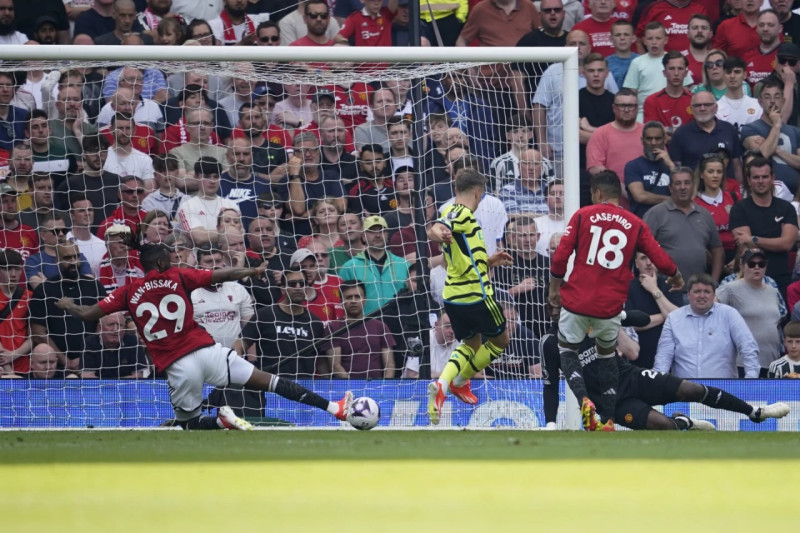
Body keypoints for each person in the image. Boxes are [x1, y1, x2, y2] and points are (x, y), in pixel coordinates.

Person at [56, 236, 353, 431]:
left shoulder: (127, 291)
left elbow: (87, 314)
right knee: (270, 381)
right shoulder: (178, 276)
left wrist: (67, 303)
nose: (173, 261)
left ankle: (222, 423)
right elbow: (221, 275)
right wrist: (250, 272)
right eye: (170, 258)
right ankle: (334, 407)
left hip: (178, 365)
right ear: (161, 263)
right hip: (207, 352)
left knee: (190, 424)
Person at [548, 171, 682, 431]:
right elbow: (657, 254)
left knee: (567, 349)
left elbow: (561, 256)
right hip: (609, 307)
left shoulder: (582, 215)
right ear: (617, 194)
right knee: (607, 354)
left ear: (597, 193)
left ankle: (584, 399)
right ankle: (608, 419)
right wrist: (675, 275)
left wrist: (555, 288)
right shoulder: (635, 222)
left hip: (577, 300)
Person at [541, 317, 790, 430]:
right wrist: (551, 424)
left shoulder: (592, 323)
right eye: (555, 307)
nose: (560, 310)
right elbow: (551, 385)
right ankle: (683, 422)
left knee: (690, 389)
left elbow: (636, 336)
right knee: (663, 426)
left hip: (632, 378)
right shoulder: (551, 344)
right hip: (613, 403)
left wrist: (617, 318)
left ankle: (755, 413)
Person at [425, 168, 514, 425]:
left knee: (470, 345)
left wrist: (489, 261)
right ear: (478, 192)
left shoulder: (451, 211)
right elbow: (436, 229)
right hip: (477, 294)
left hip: (453, 296)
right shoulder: (461, 213)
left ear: (455, 190)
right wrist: (438, 233)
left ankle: (443, 385)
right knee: (500, 341)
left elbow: (463, 253)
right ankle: (461, 381)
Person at [655, 273, 760, 378]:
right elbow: (663, 357)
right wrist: (658, 382)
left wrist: (751, 379)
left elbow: (748, 347)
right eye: (697, 291)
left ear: (714, 295)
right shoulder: (674, 318)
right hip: (684, 390)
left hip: (724, 390)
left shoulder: (729, 314)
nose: (702, 296)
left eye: (707, 292)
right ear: (688, 294)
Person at [30, 242, 107, 373]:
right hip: (56, 366)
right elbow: (38, 333)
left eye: (76, 256)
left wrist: (85, 356)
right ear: (57, 260)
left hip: (93, 360)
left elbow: (104, 325)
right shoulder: (44, 290)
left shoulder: (95, 286)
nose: (73, 261)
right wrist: (64, 359)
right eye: (68, 258)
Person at [730, 157, 799, 298]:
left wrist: (753, 238)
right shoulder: (739, 209)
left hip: (781, 277)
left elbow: (786, 244)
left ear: (772, 178)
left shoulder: (786, 208)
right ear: (748, 180)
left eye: (765, 177)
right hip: (749, 280)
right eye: (756, 177)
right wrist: (774, 241)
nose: (761, 181)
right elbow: (746, 246)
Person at [644, 166, 725, 285]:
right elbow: (642, 250)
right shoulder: (656, 214)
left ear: (693, 186)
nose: (683, 187)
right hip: (666, 289)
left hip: (699, 290)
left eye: (687, 183)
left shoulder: (704, 214)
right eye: (678, 183)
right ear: (670, 188)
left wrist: (713, 281)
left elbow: (717, 249)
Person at [716, 249, 784, 376]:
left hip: (771, 361)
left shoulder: (772, 291)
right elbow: (711, 311)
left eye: (761, 264)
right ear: (742, 266)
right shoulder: (730, 288)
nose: (756, 267)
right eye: (751, 264)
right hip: (742, 362)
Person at [337, 215, 409, 316]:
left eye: (382, 231)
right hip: (365, 327)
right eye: (372, 231)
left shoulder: (403, 264)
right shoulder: (349, 267)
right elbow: (341, 302)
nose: (378, 235)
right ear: (363, 236)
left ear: (387, 235)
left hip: (399, 325)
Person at [326, 280, 396, 379]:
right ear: (341, 301)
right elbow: (335, 366)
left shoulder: (380, 326)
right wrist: (353, 387)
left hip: (376, 389)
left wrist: (384, 389)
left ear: (364, 300)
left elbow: (389, 365)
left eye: (357, 296)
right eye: (349, 297)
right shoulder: (333, 327)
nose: (354, 301)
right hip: (346, 390)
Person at [742, 79, 800, 197]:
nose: (773, 101)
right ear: (760, 101)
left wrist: (777, 150)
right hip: (766, 195)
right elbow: (761, 155)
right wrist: (777, 125)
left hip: (796, 196)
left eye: (777, 96)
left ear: (783, 101)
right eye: (767, 97)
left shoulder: (795, 131)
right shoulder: (750, 128)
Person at [625, 121, 674, 218]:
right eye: (649, 139)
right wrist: (672, 200)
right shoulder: (633, 166)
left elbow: (682, 190)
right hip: (643, 220)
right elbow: (640, 196)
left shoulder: (673, 166)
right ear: (642, 140)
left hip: (670, 220)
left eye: (658, 139)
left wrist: (671, 166)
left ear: (665, 140)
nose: (653, 143)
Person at [81, 311, 149, 379]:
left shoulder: (133, 341)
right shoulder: (89, 343)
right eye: (111, 324)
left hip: (126, 389)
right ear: (99, 328)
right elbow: (88, 377)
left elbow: (137, 377)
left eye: (119, 325)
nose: (115, 329)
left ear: (124, 328)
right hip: (97, 389)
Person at [0, 249, 32, 375]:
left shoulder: (30, 297)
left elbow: (34, 335)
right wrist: (7, 367)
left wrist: (13, 355)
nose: (13, 274)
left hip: (24, 365)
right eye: (8, 269)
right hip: (2, 368)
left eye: (17, 269)